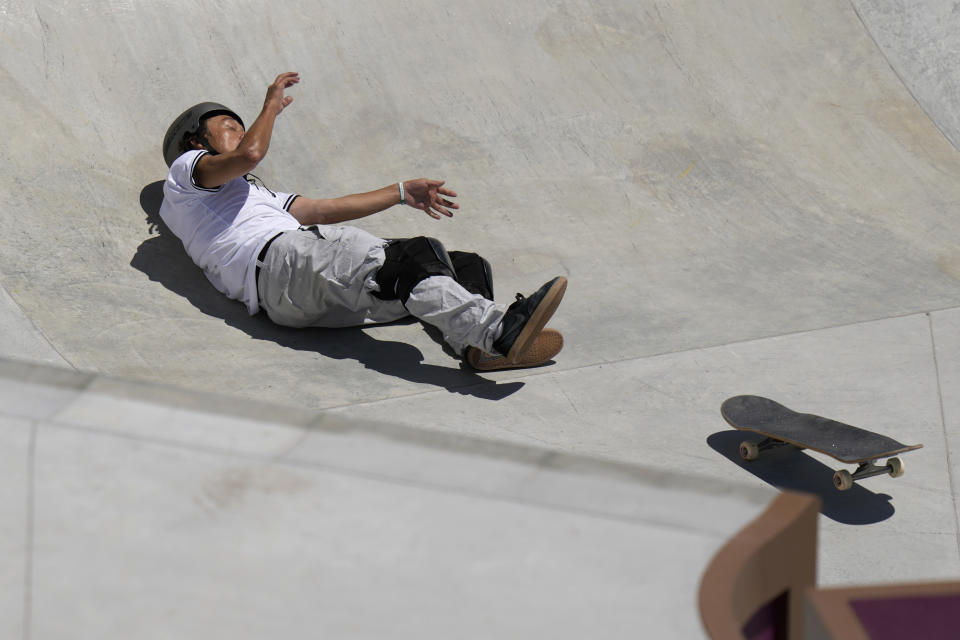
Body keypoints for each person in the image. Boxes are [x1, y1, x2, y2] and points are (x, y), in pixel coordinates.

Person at [160, 72, 566, 371]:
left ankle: (477, 348)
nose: (243, 131)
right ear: (197, 142)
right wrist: (269, 108)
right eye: (231, 127)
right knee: (410, 258)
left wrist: (401, 191)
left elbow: (323, 209)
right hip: (281, 265)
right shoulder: (185, 174)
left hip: (301, 297)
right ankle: (496, 333)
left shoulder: (257, 196)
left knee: (460, 264)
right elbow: (249, 155)